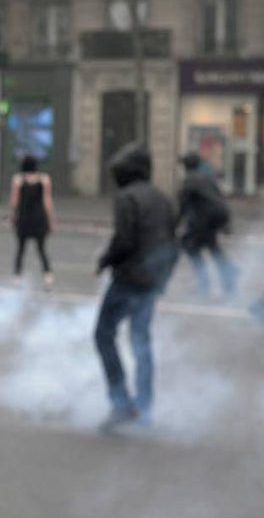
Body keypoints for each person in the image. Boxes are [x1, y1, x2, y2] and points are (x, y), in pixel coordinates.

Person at [93, 144, 178, 433]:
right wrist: (162, 280)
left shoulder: (126, 198)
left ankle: (121, 404)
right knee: (141, 341)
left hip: (129, 280)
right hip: (151, 281)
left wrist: (104, 261)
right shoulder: (163, 199)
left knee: (104, 334)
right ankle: (145, 407)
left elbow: (124, 241)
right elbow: (172, 244)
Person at [177, 152, 239, 300]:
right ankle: (229, 275)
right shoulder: (207, 177)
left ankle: (205, 284)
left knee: (190, 246)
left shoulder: (189, 179)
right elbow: (220, 199)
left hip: (206, 219)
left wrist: (173, 224)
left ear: (185, 166)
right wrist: (226, 223)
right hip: (215, 217)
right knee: (211, 246)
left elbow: (183, 206)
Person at [10, 155, 55, 290]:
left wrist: (13, 215)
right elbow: (47, 201)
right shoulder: (44, 179)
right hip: (39, 218)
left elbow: (14, 201)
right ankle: (48, 277)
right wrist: (50, 219)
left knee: (20, 249)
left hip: (24, 218)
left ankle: (17, 277)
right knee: (41, 249)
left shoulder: (18, 180)